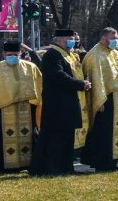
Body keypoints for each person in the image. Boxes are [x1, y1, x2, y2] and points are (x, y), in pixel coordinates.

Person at [30, 29, 91, 176]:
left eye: (73, 39)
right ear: (58, 40)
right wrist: (80, 84)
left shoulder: (69, 55)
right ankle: (52, 168)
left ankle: (66, 167)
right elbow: (58, 75)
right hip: (57, 103)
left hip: (69, 101)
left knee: (67, 137)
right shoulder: (52, 54)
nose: (72, 42)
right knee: (55, 138)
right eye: (68, 39)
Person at [81, 27, 118, 172]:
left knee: (115, 131)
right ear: (104, 38)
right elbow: (95, 79)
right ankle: (102, 163)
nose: (116, 41)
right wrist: (99, 101)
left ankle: (113, 161)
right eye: (113, 37)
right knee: (104, 132)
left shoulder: (116, 54)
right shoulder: (95, 55)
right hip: (104, 100)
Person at [0, 39, 42, 172]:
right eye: (10, 54)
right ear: (4, 53)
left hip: (27, 108)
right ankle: (5, 166)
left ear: (20, 53)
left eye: (16, 54)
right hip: (3, 109)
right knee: (3, 137)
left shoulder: (31, 67)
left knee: (28, 136)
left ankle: (28, 164)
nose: (13, 56)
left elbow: (39, 86)